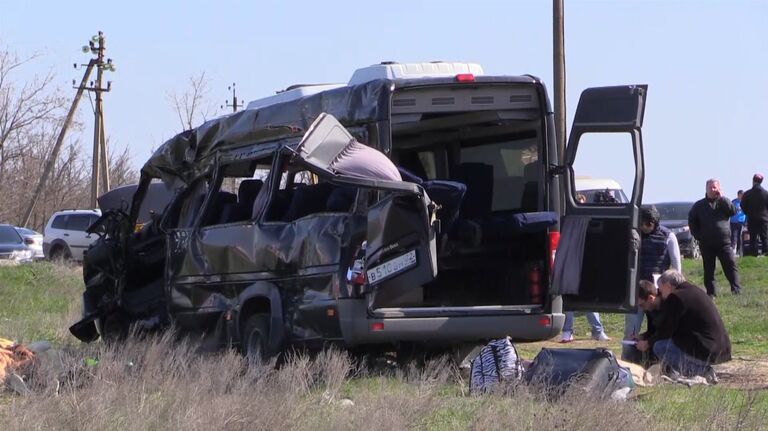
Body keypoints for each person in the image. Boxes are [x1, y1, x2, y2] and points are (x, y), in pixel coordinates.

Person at [636, 270, 731, 383]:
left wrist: (647, 343)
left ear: (668, 285)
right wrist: (645, 336)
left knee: (660, 346)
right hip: (720, 348)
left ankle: (702, 371)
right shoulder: (694, 290)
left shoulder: (676, 297)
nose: (660, 292)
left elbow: (666, 331)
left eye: (661, 289)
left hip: (706, 349)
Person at [622, 205, 681, 361]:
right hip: (637, 291)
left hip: (658, 293)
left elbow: (676, 268)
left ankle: (656, 360)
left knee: (657, 328)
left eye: (647, 224)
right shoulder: (633, 236)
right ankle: (627, 361)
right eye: (641, 223)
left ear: (654, 223)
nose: (644, 227)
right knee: (631, 330)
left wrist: (671, 291)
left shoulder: (668, 236)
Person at [560, 192, 610, 343]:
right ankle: (567, 331)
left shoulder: (590, 223)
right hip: (571, 265)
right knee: (569, 298)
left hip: (586, 266)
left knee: (589, 298)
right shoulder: (568, 223)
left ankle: (598, 331)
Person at [688, 179, 741, 296]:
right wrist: (698, 235)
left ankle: (736, 289)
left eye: (715, 187)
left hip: (724, 242)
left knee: (730, 265)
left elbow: (733, 211)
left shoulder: (724, 202)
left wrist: (722, 198)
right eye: (711, 187)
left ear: (719, 188)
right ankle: (711, 293)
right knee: (709, 270)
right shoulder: (699, 205)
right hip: (706, 243)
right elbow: (692, 220)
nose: (713, 190)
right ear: (706, 189)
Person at [624, 280, 663, 366]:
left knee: (658, 346)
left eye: (642, 305)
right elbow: (652, 331)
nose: (642, 309)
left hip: (669, 343)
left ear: (650, 298)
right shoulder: (650, 310)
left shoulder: (667, 307)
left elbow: (665, 333)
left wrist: (648, 343)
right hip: (657, 340)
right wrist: (642, 336)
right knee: (631, 347)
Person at [741, 174, 768, 257]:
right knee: (764, 237)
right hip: (764, 219)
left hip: (752, 218)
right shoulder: (766, 193)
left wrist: (747, 213)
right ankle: (766, 252)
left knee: (753, 238)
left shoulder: (747, 193)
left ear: (753, 181)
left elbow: (742, 205)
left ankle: (753, 253)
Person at [730, 190, 746, 256]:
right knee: (734, 236)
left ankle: (739, 251)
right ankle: (733, 249)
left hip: (741, 222)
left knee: (740, 237)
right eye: (741, 194)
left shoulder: (745, 202)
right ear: (738, 195)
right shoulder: (733, 202)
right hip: (733, 222)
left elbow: (747, 212)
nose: (742, 196)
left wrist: (746, 221)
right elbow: (730, 210)